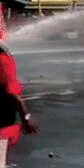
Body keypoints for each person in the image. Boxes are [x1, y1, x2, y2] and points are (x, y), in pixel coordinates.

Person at [0, 35, 39, 166]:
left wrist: (25, 120)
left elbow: (13, 95)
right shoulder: (4, 60)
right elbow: (13, 95)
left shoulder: (4, 60)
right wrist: (26, 120)